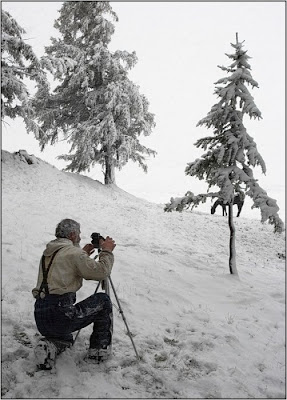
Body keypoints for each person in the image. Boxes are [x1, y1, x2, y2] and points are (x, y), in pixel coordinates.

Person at [32, 218, 116, 369]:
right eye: (78, 234)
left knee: (66, 339)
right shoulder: (73, 253)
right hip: (60, 314)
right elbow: (102, 272)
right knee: (103, 301)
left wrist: (82, 253)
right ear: (72, 235)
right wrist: (107, 251)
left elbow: (64, 267)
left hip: (41, 316)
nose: (80, 237)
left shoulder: (49, 253)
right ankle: (98, 351)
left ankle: (49, 347)